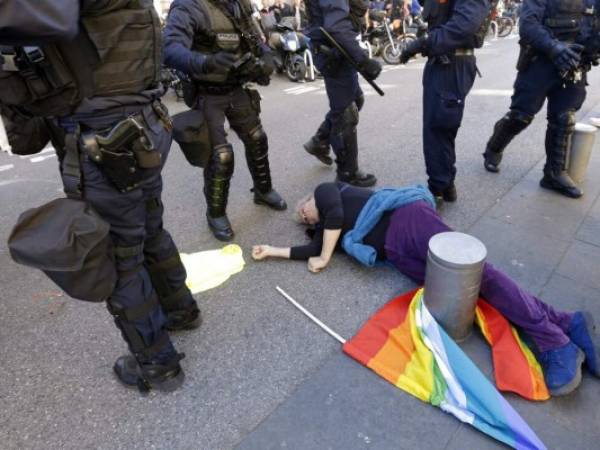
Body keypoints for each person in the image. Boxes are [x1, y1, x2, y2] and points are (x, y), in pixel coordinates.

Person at [0, 0, 200, 391]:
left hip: (103, 139)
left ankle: (157, 363)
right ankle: (180, 309)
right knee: (150, 230)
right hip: (139, 125)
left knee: (122, 256)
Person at [252, 181, 600, 395]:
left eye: (304, 210)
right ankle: (565, 322)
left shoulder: (328, 192)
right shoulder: (330, 230)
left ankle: (555, 341)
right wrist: (272, 252)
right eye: (303, 220)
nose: (305, 215)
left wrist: (326, 255)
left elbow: (330, 219)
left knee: (480, 275)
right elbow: (312, 248)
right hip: (401, 252)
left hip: (407, 222)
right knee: (471, 289)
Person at [164, 0, 287, 242]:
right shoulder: (189, 6)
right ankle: (216, 213)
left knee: (257, 139)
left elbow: (253, 37)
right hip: (208, 92)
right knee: (220, 156)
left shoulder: (238, 4)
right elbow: (169, 48)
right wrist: (204, 62)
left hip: (236, 87)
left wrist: (267, 57)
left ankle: (263, 191)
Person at [482, 0, 600, 199]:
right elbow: (528, 25)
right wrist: (555, 48)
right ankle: (494, 146)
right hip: (541, 62)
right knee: (521, 116)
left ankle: (554, 174)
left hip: (575, 62)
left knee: (564, 119)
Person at [399, 0, 490, 203]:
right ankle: (445, 184)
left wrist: (422, 43)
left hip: (452, 64)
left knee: (439, 128)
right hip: (443, 62)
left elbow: (464, 25)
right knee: (437, 128)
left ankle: (438, 190)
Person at [302, 0, 383, 187]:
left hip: (339, 51)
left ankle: (320, 139)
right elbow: (336, 26)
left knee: (356, 100)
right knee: (346, 113)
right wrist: (363, 60)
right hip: (335, 53)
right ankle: (347, 172)